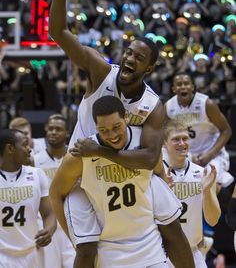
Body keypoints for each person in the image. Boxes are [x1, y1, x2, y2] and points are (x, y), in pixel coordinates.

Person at [49, 0, 166, 266]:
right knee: (86, 253)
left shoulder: (153, 105)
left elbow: (150, 158)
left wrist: (99, 150)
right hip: (83, 176)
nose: (129, 58)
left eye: (138, 58)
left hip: (122, 180)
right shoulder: (101, 72)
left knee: (161, 231)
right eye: (128, 52)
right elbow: (59, 32)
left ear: (149, 69)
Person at [50, 96, 195, 268]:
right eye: (103, 130)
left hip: (149, 245)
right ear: (95, 126)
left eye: (116, 127)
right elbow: (55, 193)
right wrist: (74, 239)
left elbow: (157, 169)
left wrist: (165, 189)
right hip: (108, 250)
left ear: (126, 117)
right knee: (84, 247)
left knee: (170, 220)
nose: (112, 135)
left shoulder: (144, 142)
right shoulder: (80, 155)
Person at [162, 120, 221, 268]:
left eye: (185, 138)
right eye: (176, 139)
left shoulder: (203, 174)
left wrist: (207, 192)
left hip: (192, 251)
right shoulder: (157, 175)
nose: (182, 143)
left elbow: (213, 220)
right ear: (164, 144)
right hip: (162, 254)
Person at [164, 72, 233, 189]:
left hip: (211, 151)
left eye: (186, 83)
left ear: (192, 87)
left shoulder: (207, 104)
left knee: (210, 183)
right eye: (179, 84)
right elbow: (163, 135)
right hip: (186, 153)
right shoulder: (169, 106)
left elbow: (226, 131)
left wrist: (210, 154)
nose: (183, 87)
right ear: (174, 89)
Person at [0, 129, 57, 268]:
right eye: (25, 145)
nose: (30, 149)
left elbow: (49, 213)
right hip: (2, 255)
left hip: (32, 253)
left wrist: (49, 230)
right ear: (10, 148)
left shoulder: (37, 175)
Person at [34, 114, 75, 267]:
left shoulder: (74, 158)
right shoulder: (35, 160)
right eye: (50, 128)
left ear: (67, 133)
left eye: (58, 129)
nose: (53, 132)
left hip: (72, 222)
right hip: (48, 225)